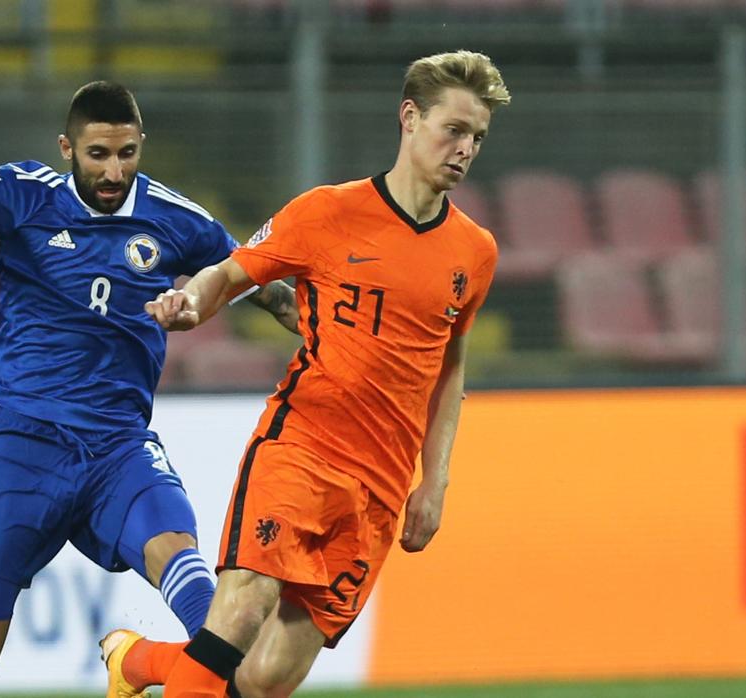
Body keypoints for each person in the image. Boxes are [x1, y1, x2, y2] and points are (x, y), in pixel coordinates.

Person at [0, 81, 299, 698]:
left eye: (126, 153)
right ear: (66, 148)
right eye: (98, 154)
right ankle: (136, 663)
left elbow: (267, 288)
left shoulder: (180, 221)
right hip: (24, 442)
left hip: (118, 449)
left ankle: (143, 663)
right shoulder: (23, 193)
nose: (113, 170)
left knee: (207, 608)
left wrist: (326, 325)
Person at [101, 50, 511, 698]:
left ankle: (143, 661)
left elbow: (450, 364)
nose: (465, 149)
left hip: (378, 489)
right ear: (410, 118)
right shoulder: (327, 213)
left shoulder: (475, 252)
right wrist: (191, 305)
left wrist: (435, 482)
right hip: (303, 449)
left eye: (478, 138)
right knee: (239, 610)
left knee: (264, 681)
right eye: (453, 130)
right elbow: (233, 271)